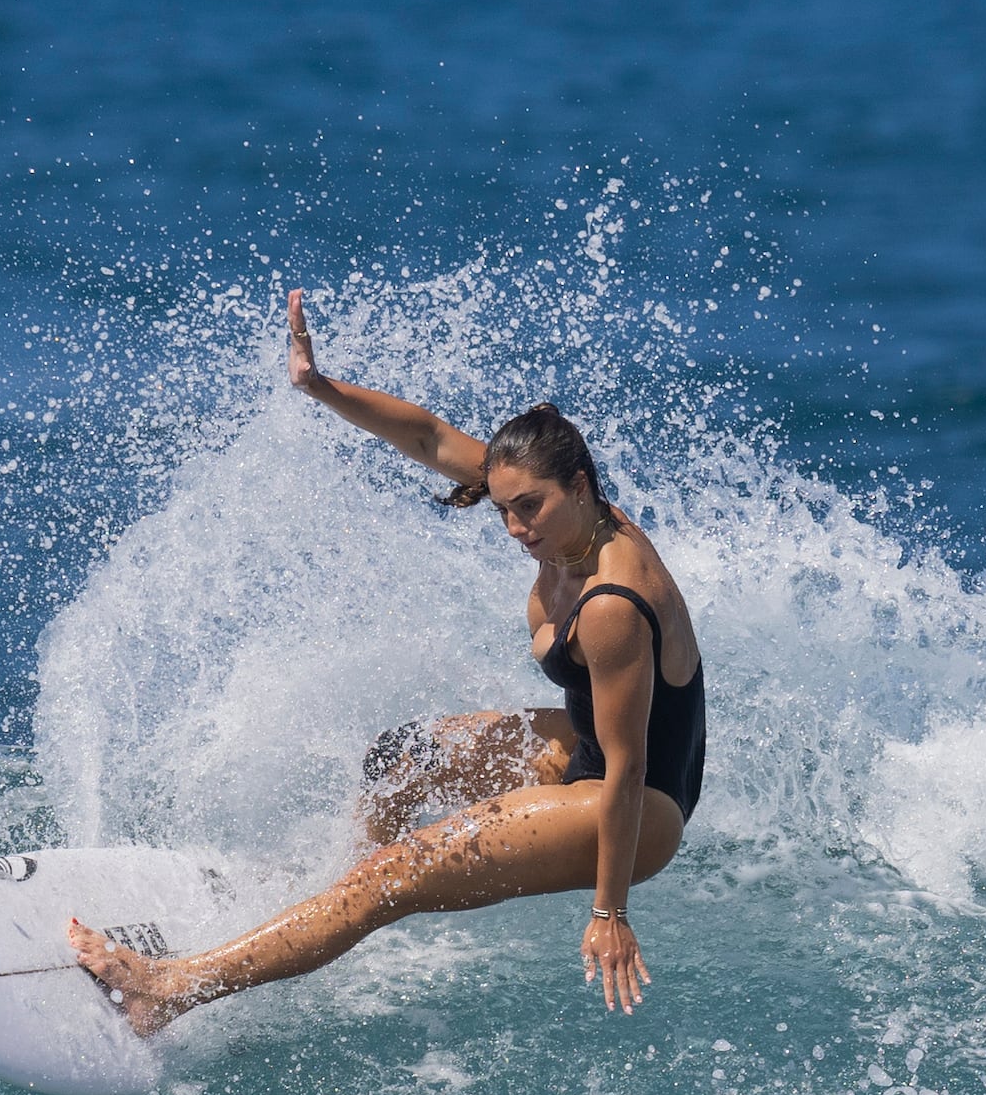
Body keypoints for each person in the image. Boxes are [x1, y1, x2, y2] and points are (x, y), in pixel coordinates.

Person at [67, 289, 707, 1031]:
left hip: (637, 806)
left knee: (392, 875)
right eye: (503, 507)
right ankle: (331, 908)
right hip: (590, 744)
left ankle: (167, 991)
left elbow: (627, 773)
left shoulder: (610, 608)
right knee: (398, 757)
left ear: (582, 487)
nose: (512, 526)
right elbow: (434, 439)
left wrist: (610, 911)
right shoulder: (558, 510)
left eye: (528, 507)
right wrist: (319, 386)